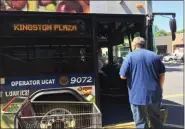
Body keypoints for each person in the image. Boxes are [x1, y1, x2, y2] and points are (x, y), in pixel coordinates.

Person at [119, 37, 165, 129]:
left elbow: (122, 76)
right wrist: (160, 88)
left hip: (137, 96)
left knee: (141, 122)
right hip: (154, 94)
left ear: (134, 46)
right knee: (156, 120)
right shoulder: (155, 56)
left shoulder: (129, 57)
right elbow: (162, 75)